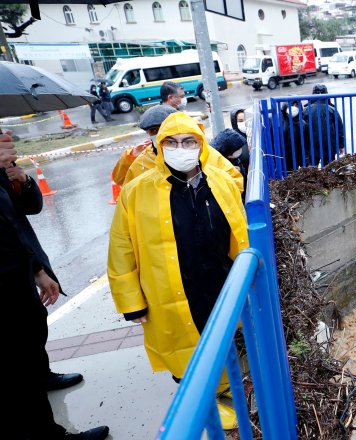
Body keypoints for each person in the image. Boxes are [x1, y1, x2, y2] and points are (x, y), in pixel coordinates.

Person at [107, 113, 248, 431]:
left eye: (188, 141)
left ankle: (222, 390)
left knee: (218, 334)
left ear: (200, 145)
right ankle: (201, 399)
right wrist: (132, 303)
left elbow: (238, 230)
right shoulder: (137, 191)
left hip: (216, 278)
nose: (179, 148)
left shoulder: (220, 181)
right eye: (170, 142)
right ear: (159, 145)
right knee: (182, 344)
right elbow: (121, 249)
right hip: (168, 287)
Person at [2, 133, 109, 440]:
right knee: (17, 371)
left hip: (19, 272)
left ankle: (42, 376)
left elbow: (26, 211)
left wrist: (21, 179)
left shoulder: (5, 171)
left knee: (33, 335)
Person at [110, 105, 244, 192]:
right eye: (153, 131)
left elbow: (236, 181)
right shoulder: (142, 161)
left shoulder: (201, 152)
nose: (159, 134)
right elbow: (124, 186)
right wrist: (130, 156)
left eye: (163, 128)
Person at [304, 84, 345, 166]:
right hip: (329, 146)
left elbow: (303, 129)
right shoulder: (332, 109)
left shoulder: (306, 110)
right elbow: (340, 129)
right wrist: (341, 145)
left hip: (312, 146)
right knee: (329, 171)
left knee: (311, 171)